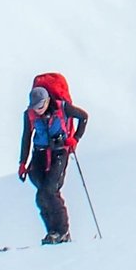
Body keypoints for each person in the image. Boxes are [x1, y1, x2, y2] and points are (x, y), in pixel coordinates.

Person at [18, 82, 89, 244]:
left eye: (40, 106)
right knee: (41, 195)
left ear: (47, 100)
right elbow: (26, 137)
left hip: (59, 151)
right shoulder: (29, 115)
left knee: (49, 190)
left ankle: (62, 232)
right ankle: (53, 232)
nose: (38, 110)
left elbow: (84, 117)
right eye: (34, 107)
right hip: (40, 154)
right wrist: (23, 163)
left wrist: (75, 139)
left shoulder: (62, 108)